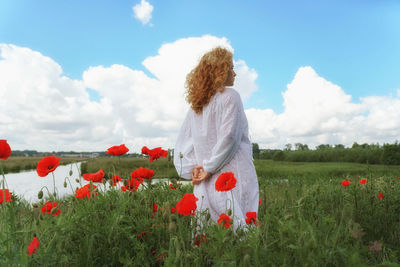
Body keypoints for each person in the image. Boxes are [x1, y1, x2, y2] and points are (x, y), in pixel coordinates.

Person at [174, 47, 259, 227]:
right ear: (219, 71)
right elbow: (229, 138)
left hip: (204, 180)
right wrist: (209, 168)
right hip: (233, 175)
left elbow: (182, 145)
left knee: (210, 233)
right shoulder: (230, 97)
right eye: (230, 68)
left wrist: (193, 170)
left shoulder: (197, 106)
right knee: (240, 227)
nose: (234, 73)